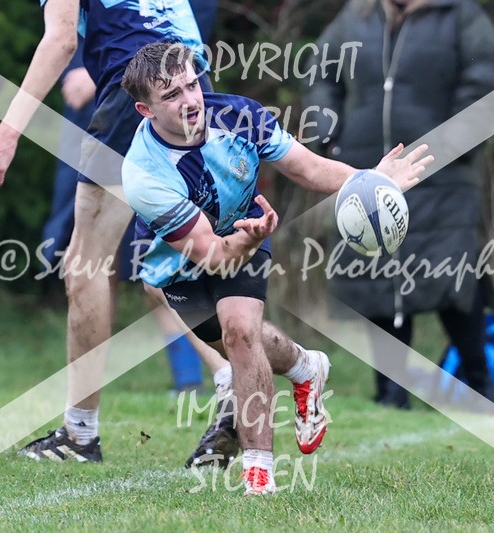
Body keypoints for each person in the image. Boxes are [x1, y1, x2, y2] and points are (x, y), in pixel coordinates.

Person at [120, 41, 432, 494]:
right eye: (172, 96)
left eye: (192, 85)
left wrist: (373, 182)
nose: (190, 100)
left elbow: (308, 169)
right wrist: (246, 239)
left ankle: (258, 476)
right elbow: (212, 254)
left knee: (240, 332)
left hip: (248, 226)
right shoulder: (144, 174)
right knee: (239, 342)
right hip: (183, 262)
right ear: (145, 109)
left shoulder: (240, 116)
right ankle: (306, 368)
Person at [0, 0, 229, 463]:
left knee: (86, 262)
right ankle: (237, 385)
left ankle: (80, 435)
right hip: (193, 93)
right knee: (163, 269)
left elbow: (62, 40)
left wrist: (6, 135)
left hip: (138, 98)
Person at [302, 0, 494, 408]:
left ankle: (481, 385)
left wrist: (454, 142)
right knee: (378, 281)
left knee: (454, 279)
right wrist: (328, 136)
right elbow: (319, 73)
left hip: (441, 176)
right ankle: (391, 392)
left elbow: (487, 78)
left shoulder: (460, 17)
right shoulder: (356, 17)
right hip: (368, 174)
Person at [39, 36, 207, 395]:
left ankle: (197, 379)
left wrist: (102, 73)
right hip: (91, 129)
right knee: (92, 264)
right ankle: (91, 387)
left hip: (137, 120)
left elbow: (183, 31)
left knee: (159, 260)